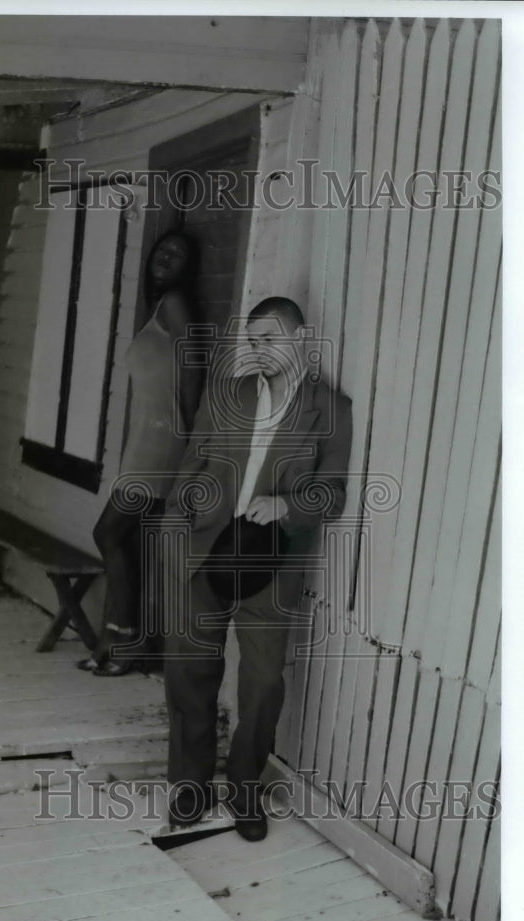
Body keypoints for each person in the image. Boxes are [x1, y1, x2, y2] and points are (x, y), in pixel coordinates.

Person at [161, 296, 352, 840]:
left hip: (270, 561)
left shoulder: (332, 409)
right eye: (252, 341)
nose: (258, 350)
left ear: (299, 338)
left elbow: (332, 494)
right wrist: (177, 526)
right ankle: (189, 786)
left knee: (264, 683)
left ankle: (244, 786)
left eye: (268, 339)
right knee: (189, 673)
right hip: (203, 554)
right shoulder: (228, 395)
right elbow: (189, 467)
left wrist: (288, 507)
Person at [78, 230, 206, 677]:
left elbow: (193, 366)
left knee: (108, 534)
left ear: (186, 269)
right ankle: (115, 643)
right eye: (163, 249)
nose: (167, 256)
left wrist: (191, 436)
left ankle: (124, 636)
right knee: (129, 542)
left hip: (163, 442)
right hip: (144, 443)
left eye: (178, 254)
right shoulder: (156, 310)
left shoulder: (175, 303)